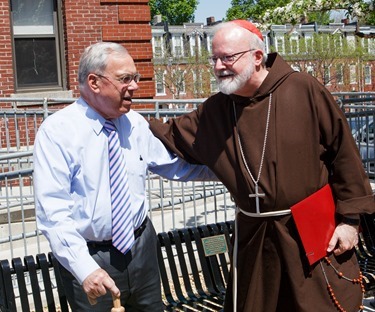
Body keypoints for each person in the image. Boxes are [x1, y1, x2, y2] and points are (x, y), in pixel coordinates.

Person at [149, 20, 375, 311]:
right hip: (254, 237)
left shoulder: (303, 89)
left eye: (227, 57)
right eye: (214, 59)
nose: (218, 67)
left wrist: (350, 221)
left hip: (309, 230)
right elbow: (169, 136)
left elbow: (344, 154)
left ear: (257, 57)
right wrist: (120, 118)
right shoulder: (217, 109)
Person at [33, 42, 216, 312]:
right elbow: (53, 213)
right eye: (125, 79)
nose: (134, 86)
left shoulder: (135, 124)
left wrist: (231, 172)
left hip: (141, 248)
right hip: (91, 258)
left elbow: (176, 166)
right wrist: (85, 269)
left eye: (135, 78)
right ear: (94, 82)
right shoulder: (57, 133)